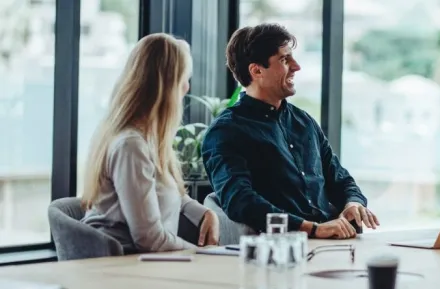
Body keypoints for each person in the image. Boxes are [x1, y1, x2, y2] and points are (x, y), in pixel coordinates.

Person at [201, 23, 379, 240]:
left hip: (332, 243)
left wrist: (353, 202)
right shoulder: (226, 131)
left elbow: (340, 179)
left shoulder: (304, 122)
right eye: (285, 60)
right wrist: (311, 228)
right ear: (256, 70)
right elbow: (240, 201)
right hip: (281, 251)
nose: (296, 67)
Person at [81, 33, 220, 253]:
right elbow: (149, 239)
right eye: (183, 78)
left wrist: (204, 213)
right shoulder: (131, 147)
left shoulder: (147, 140)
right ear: (165, 86)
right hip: (123, 269)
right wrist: (202, 254)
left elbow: (165, 193)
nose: (187, 88)